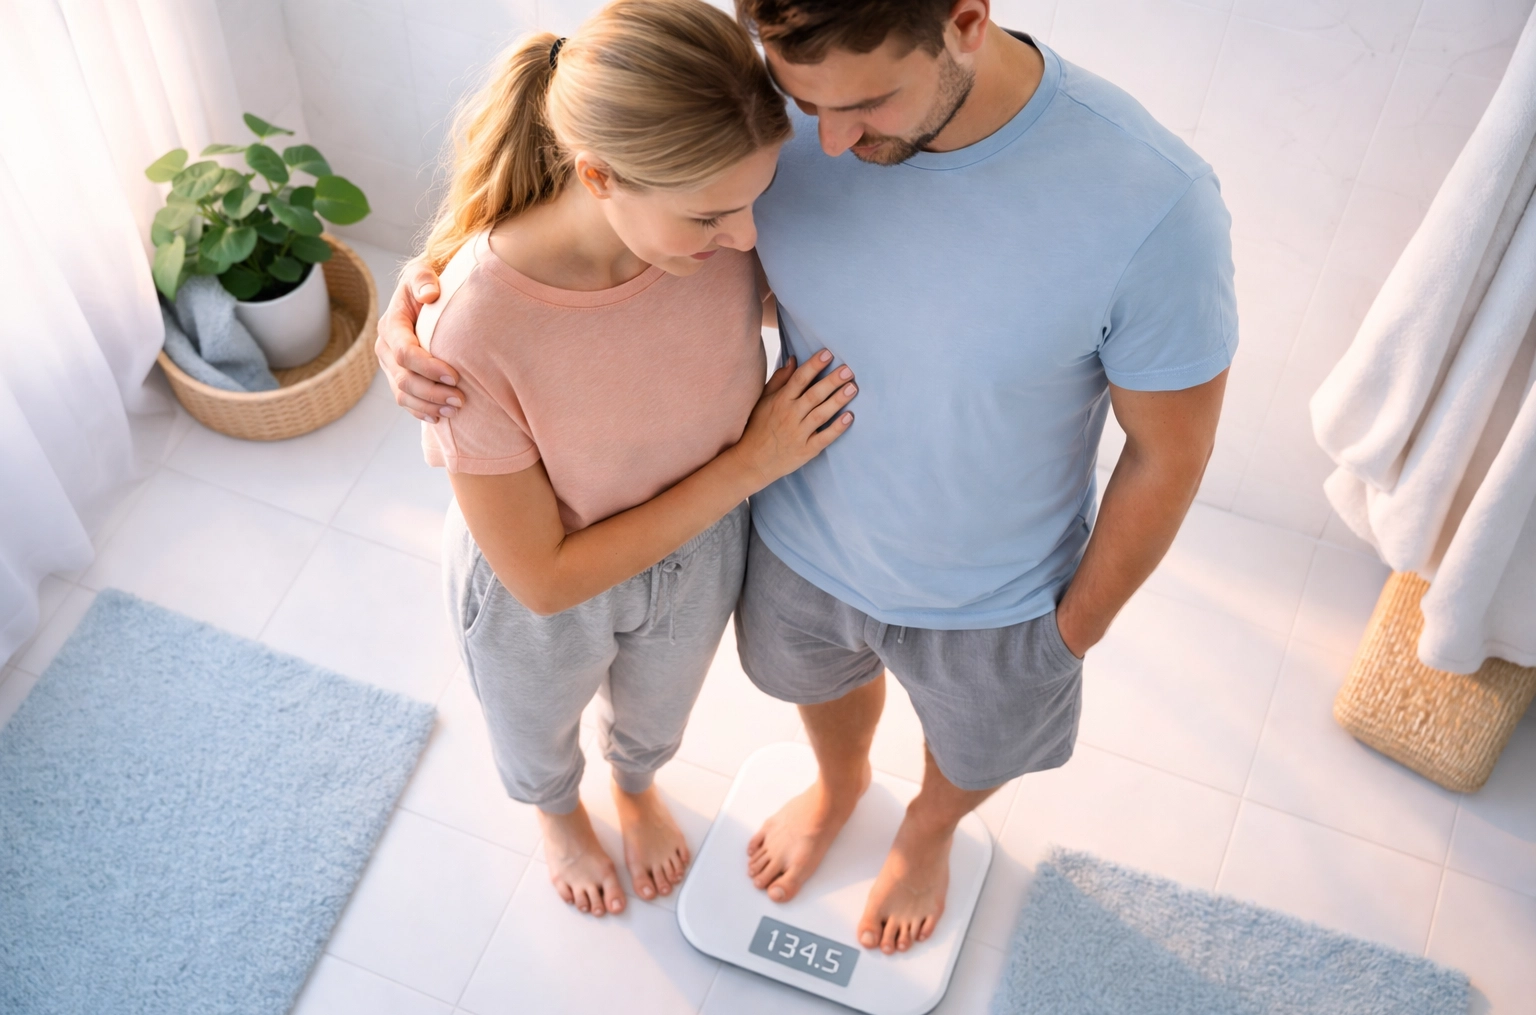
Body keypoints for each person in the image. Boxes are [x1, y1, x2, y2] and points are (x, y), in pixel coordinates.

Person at [380, 0, 1236, 955]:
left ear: (965, 20)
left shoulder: (1156, 205)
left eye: (864, 104)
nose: (824, 143)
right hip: (794, 548)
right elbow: (605, 169)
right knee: (752, 701)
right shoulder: (765, 122)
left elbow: (1170, 450)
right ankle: (838, 786)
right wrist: (425, 302)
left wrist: (1076, 629)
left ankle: (927, 831)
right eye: (803, 102)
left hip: (1000, 591)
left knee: (976, 745)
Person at [411, 0, 859, 921]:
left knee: (660, 713)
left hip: (700, 551)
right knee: (535, 727)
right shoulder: (474, 330)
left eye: (753, 201)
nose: (747, 237)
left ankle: (636, 786)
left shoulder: (710, 234)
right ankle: (558, 813)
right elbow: (542, 581)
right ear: (598, 175)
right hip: (548, 591)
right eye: (711, 215)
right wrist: (751, 465)